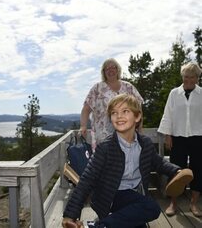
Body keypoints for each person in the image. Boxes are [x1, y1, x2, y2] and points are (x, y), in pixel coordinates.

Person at [62, 94, 192, 228]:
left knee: (139, 221)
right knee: (152, 208)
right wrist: (70, 214)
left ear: (137, 117)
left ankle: (100, 225)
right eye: (114, 113)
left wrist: (177, 171)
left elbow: (159, 162)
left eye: (125, 111)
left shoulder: (145, 144)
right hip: (111, 195)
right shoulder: (106, 148)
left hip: (135, 194)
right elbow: (87, 179)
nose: (118, 116)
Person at [158, 62, 202, 217]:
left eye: (192, 77)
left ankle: (194, 203)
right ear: (182, 77)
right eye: (186, 77)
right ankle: (173, 202)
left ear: (197, 78)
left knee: (198, 169)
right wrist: (168, 135)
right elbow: (167, 114)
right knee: (176, 170)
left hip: (198, 137)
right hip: (178, 137)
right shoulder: (174, 93)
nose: (188, 80)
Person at [80, 58, 143, 150]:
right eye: (107, 68)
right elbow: (86, 109)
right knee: (105, 161)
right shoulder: (97, 88)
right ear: (104, 72)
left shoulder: (128, 87)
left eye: (113, 67)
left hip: (127, 133)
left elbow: (139, 109)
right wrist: (83, 126)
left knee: (127, 160)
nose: (110, 70)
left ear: (118, 70)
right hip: (103, 135)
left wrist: (140, 127)